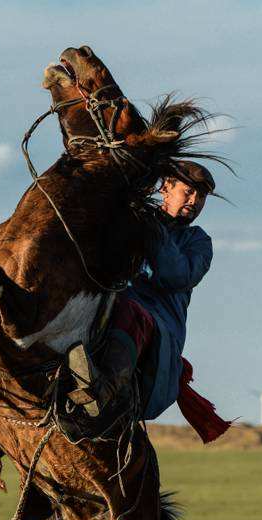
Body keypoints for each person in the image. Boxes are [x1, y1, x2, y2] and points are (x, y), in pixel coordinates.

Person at [68, 160, 230, 442]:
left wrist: (153, 228)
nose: (195, 201)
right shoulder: (135, 220)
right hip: (114, 305)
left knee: (129, 310)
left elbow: (174, 275)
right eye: (189, 191)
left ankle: (105, 389)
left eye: (201, 196)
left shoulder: (197, 241)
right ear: (166, 187)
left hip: (158, 327)